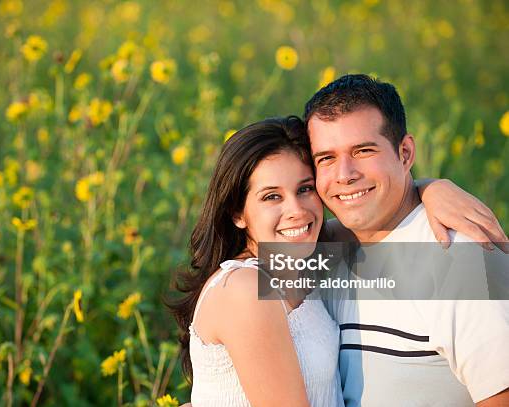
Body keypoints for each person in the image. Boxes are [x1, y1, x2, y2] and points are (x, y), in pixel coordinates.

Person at [170, 114, 506, 406]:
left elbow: (382, 222)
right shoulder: (246, 289)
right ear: (237, 213)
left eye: (305, 189)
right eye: (272, 196)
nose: (296, 211)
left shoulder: (309, 260)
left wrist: (430, 189)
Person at [303, 73, 509, 406]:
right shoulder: (320, 251)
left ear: (405, 153)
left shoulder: (465, 261)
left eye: (363, 151)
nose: (344, 175)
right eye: (326, 158)